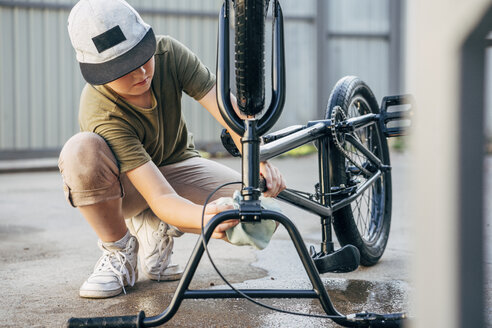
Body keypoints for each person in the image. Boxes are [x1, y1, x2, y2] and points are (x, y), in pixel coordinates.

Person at [59, 0, 286, 299]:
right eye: (124, 67)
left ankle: (155, 226)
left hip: (179, 165)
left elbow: (222, 106)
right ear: (98, 72)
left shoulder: (168, 54)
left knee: (256, 212)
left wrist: (254, 155)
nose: (140, 71)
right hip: (126, 187)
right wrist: (205, 217)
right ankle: (120, 249)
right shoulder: (100, 109)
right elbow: (160, 195)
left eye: (142, 55)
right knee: (80, 152)